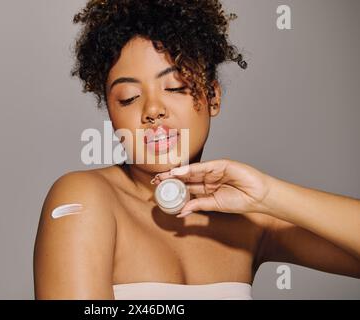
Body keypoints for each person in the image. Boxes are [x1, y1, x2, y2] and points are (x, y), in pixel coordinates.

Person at [33, 0, 360, 299]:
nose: (153, 110)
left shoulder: (248, 221)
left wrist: (269, 195)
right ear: (110, 111)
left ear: (213, 97)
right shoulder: (83, 197)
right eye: (129, 97)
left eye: (175, 87)